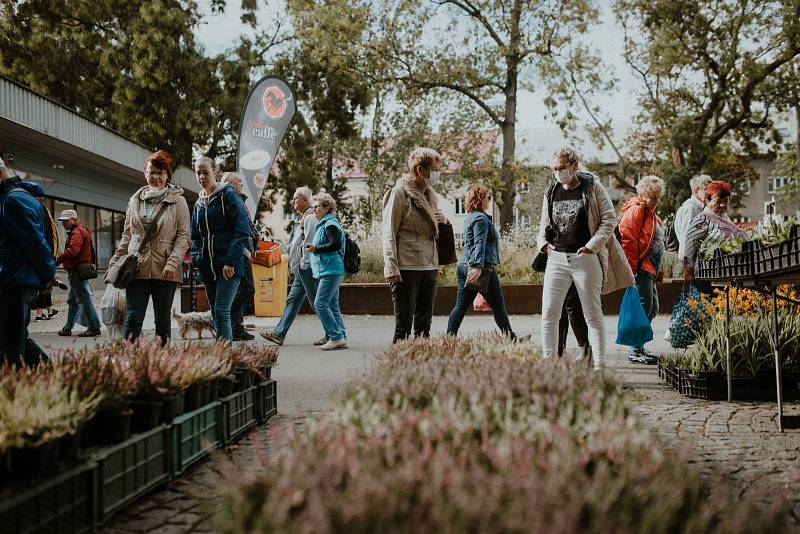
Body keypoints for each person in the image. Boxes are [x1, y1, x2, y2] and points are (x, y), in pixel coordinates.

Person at [537, 147, 634, 369]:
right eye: (554, 168)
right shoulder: (551, 189)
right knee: (549, 315)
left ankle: (599, 366)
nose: (557, 172)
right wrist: (543, 244)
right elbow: (544, 223)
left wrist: (592, 246)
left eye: (561, 168)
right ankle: (549, 366)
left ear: (574, 166)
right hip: (557, 259)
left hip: (585, 260)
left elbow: (609, 219)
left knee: (592, 314)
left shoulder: (592, 187)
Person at [109, 150, 190, 344]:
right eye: (151, 172)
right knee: (133, 317)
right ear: (145, 174)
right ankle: (131, 362)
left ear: (166, 176)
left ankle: (161, 365)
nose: (155, 176)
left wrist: (172, 263)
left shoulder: (178, 201)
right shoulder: (134, 200)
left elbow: (183, 235)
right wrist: (115, 262)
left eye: (159, 173)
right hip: (137, 267)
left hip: (165, 269)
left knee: (162, 320)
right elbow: (128, 235)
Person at [383, 147, 448, 343]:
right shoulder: (399, 194)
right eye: (435, 169)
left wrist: (443, 221)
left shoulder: (430, 196)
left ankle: (420, 369)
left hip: (429, 265)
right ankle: (396, 369)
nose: (438, 174)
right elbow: (389, 233)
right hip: (406, 266)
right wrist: (391, 267)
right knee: (403, 326)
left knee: (424, 325)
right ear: (420, 170)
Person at [0, 157, 56, 365]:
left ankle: (58, 384)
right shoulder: (15, 198)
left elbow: (35, 243)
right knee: (16, 341)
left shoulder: (12, 201)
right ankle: (61, 381)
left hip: (14, 282)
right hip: (16, 280)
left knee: (10, 349)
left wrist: (48, 275)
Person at [190, 157, 251, 341]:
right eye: (198, 172)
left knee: (222, 311)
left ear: (215, 172)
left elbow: (242, 230)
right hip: (208, 267)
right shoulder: (199, 203)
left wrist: (230, 261)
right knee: (216, 313)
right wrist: (197, 259)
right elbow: (196, 236)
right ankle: (223, 355)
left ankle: (225, 358)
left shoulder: (228, 196)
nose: (201, 176)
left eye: (205, 172)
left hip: (228, 266)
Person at [446, 184, 515, 337]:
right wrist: (477, 266)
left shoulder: (470, 217)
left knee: (460, 306)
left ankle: (449, 338)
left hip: (464, 266)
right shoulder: (480, 219)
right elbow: (479, 243)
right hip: (480, 268)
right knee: (498, 306)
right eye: (487, 197)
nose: (489, 200)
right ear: (480, 199)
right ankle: (512, 339)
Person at [260, 186, 325, 346]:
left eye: (296, 198)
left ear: (304, 200)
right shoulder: (304, 217)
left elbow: (309, 242)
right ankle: (279, 333)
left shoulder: (309, 217)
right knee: (293, 301)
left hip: (306, 268)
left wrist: (303, 264)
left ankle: (334, 332)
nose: (293, 201)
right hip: (300, 269)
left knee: (318, 302)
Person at [618, 175, 665, 364]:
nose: (656, 201)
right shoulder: (637, 210)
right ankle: (635, 350)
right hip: (641, 268)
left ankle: (639, 347)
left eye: (658, 197)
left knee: (652, 308)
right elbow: (628, 240)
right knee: (644, 307)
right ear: (643, 195)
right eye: (653, 197)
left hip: (650, 269)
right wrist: (631, 270)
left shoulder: (650, 212)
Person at [682, 180, 746, 292]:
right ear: (707, 200)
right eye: (718, 201)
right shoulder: (703, 220)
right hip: (707, 277)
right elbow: (690, 243)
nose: (722, 205)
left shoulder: (725, 218)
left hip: (726, 275)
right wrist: (688, 270)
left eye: (726, 201)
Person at [306, 192, 348, 350]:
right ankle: (340, 336)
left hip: (331, 269)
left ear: (327, 208)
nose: (314, 209)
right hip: (330, 269)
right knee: (332, 305)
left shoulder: (330, 224)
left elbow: (335, 244)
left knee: (320, 303)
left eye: (317, 207)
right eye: (313, 207)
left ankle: (336, 337)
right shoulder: (325, 223)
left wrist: (316, 248)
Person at [220, 172, 257, 341]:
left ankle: (236, 327)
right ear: (229, 183)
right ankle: (232, 324)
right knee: (247, 288)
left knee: (244, 288)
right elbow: (241, 228)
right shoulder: (231, 198)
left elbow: (248, 226)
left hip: (245, 250)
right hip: (240, 251)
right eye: (238, 180)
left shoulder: (239, 199)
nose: (241, 182)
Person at [57, 209, 102, 337]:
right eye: (63, 221)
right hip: (80, 270)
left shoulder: (76, 232)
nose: (64, 223)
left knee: (84, 299)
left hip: (77, 270)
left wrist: (58, 259)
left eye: (66, 221)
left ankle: (94, 327)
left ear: (74, 220)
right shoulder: (82, 230)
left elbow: (73, 251)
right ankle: (67, 328)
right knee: (73, 301)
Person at [675, 174, 712, 254]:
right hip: (688, 258)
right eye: (706, 189)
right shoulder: (690, 208)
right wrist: (687, 263)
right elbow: (686, 237)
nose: (709, 193)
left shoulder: (702, 208)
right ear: (696, 190)